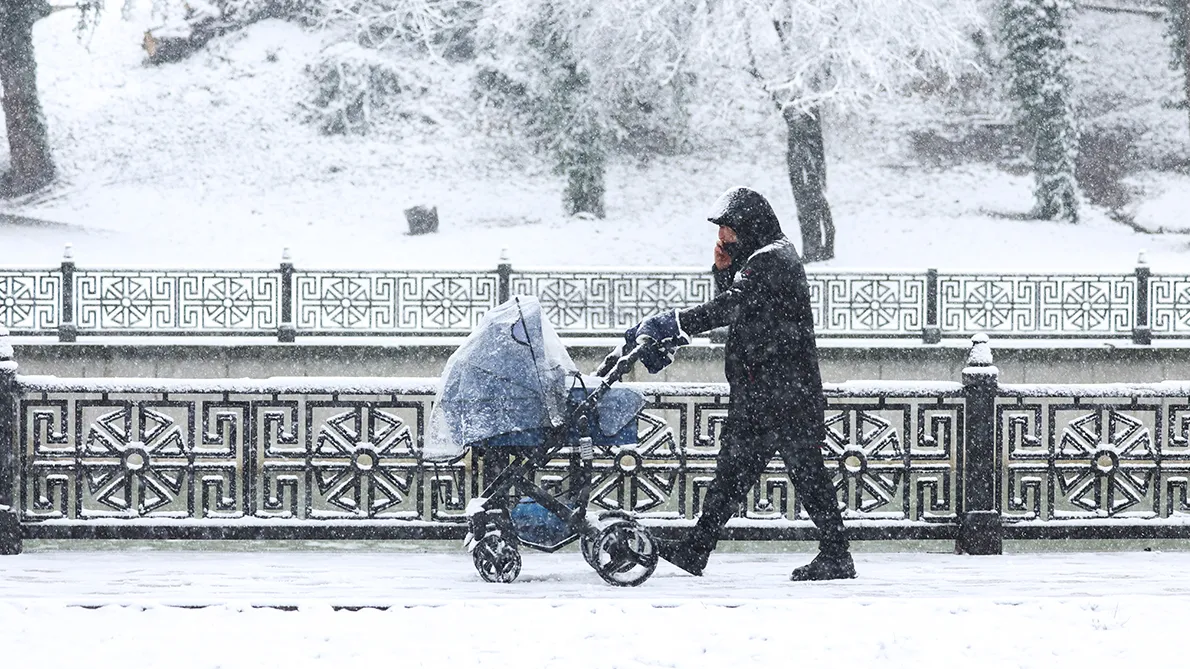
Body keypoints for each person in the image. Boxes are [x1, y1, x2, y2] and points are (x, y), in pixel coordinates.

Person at [625, 186, 855, 581]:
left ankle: (835, 554)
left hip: (779, 393)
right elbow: (742, 305)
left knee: (794, 473)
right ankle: (699, 550)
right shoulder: (769, 255)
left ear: (748, 226)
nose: (723, 237)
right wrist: (724, 269)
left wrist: (674, 324)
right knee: (742, 473)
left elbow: (731, 306)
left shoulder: (771, 260)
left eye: (728, 229)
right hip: (772, 391)